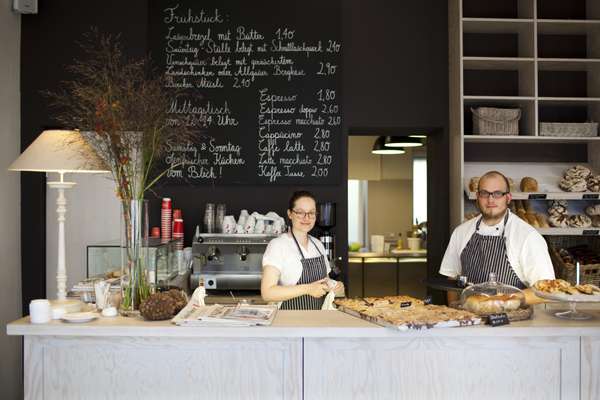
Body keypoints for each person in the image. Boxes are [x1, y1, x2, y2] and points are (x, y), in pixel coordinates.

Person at [439, 170, 555, 303]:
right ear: (477, 196)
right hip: (471, 320)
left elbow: (546, 291)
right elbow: (452, 280)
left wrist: (503, 301)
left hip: (513, 321)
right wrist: (455, 312)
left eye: (498, 193)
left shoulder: (527, 236)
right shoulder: (461, 232)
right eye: (484, 193)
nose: (490, 199)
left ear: (508, 197)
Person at [261, 191, 344, 309]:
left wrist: (334, 286)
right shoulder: (278, 245)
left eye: (311, 213)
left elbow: (325, 281)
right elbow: (267, 293)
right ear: (290, 214)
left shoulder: (318, 245)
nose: (307, 218)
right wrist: (307, 289)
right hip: (288, 323)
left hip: (318, 321)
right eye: (300, 212)